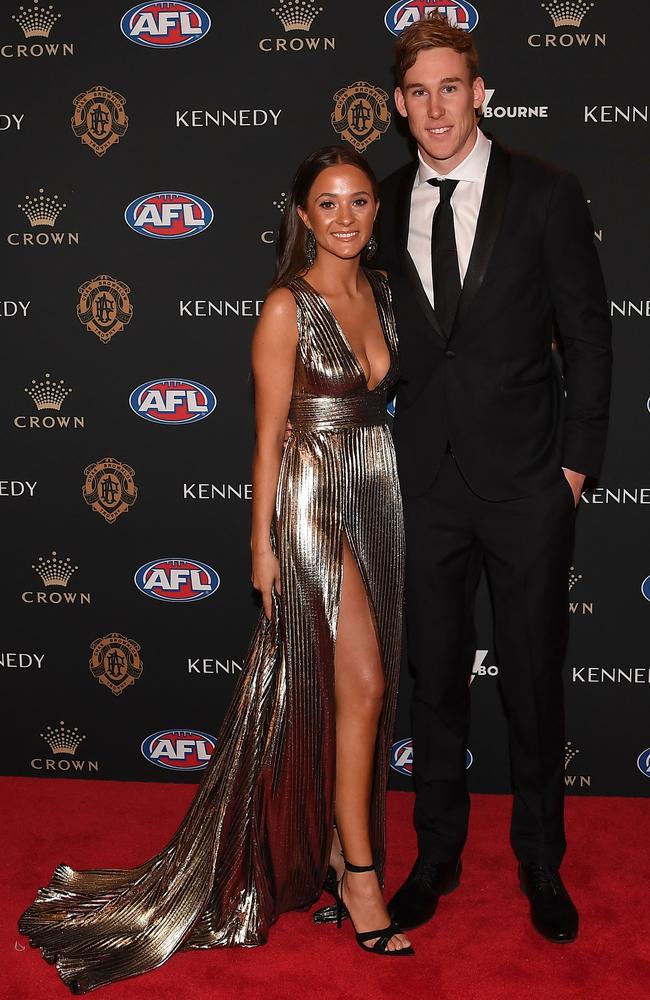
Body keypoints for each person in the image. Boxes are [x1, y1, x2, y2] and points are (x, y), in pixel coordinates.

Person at [18, 145, 412, 994]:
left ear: (376, 211)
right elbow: (267, 433)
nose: (346, 218)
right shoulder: (285, 305)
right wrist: (261, 546)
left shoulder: (380, 291)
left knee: (360, 693)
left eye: (360, 202)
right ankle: (361, 872)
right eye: (328, 204)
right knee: (365, 682)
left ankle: (345, 852)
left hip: (377, 490)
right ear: (301, 215)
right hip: (312, 501)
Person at [379, 15, 612, 943]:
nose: (437, 107)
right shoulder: (384, 201)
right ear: (401, 107)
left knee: (532, 683)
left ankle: (542, 862)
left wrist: (576, 468)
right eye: (419, 92)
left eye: (451, 87)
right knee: (432, 681)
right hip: (427, 483)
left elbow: (590, 336)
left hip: (526, 484)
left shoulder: (549, 194)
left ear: (480, 92)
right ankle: (435, 858)